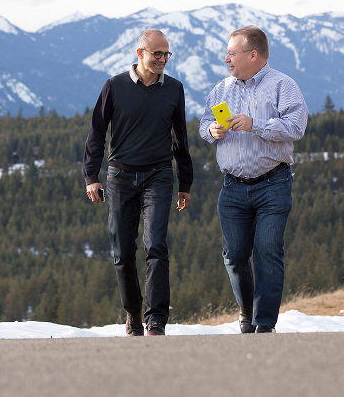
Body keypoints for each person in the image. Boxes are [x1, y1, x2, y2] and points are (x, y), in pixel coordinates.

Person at [83, 29, 193, 336]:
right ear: (139, 53)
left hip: (159, 175)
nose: (162, 60)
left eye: (166, 54)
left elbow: (180, 138)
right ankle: (133, 314)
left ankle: (155, 319)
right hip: (119, 177)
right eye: (156, 54)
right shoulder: (114, 86)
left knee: (156, 245)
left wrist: (185, 182)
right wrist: (91, 176)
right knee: (122, 251)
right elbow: (96, 132)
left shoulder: (174, 89)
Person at [199, 25, 308, 333]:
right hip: (232, 188)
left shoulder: (283, 86)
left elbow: (296, 128)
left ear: (253, 55)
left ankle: (264, 323)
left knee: (267, 250)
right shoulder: (222, 89)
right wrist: (212, 130)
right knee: (233, 256)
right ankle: (247, 311)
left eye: (231, 54)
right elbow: (205, 122)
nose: (226, 59)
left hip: (273, 184)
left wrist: (255, 124)